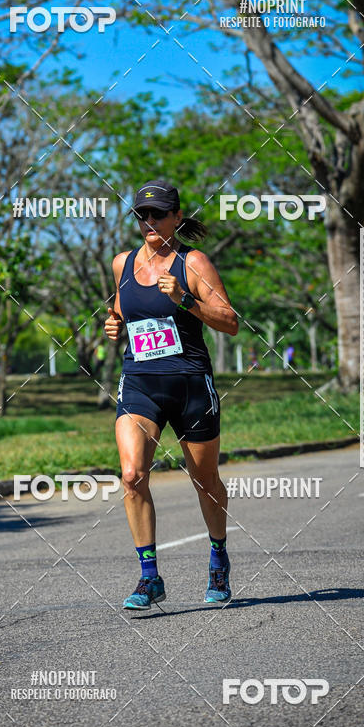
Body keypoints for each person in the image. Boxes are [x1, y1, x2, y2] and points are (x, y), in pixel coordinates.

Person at [103, 179, 238, 610]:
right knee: (131, 475)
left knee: (206, 482)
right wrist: (114, 325)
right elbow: (125, 312)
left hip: (191, 387)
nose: (149, 222)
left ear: (176, 217)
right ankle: (149, 577)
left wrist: (185, 300)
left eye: (157, 214)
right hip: (141, 384)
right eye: (142, 215)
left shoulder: (192, 262)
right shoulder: (121, 264)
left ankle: (218, 558)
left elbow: (230, 321)